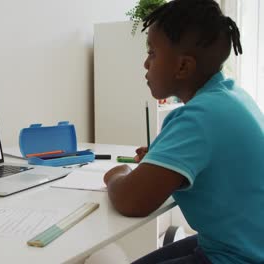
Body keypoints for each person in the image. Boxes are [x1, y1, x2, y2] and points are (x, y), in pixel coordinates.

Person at [103, 0, 264, 263]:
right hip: (239, 242)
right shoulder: (229, 96)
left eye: (152, 53)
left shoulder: (198, 117)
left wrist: (116, 175)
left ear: (183, 67)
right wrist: (160, 161)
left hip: (239, 256)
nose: (146, 63)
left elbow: (132, 201)